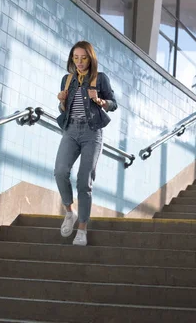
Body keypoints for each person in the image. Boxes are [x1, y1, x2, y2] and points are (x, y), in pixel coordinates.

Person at [54, 41, 117, 246]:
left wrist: (99, 101)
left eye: (83, 58)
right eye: (76, 58)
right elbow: (65, 108)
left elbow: (113, 104)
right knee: (60, 171)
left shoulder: (100, 79)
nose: (79, 62)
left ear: (90, 58)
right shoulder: (67, 79)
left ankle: (82, 228)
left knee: (84, 180)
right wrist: (62, 100)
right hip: (71, 130)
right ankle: (69, 212)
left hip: (92, 133)